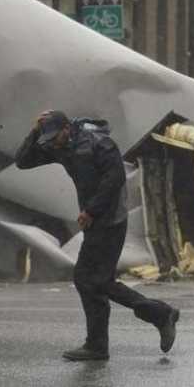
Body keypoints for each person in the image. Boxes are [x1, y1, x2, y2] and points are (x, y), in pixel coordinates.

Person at [15, 110, 180, 361]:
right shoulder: (59, 145)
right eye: (49, 138)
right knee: (89, 280)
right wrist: (36, 131)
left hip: (111, 218)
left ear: (67, 128)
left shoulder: (99, 143)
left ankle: (157, 315)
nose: (53, 142)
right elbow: (23, 161)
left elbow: (114, 179)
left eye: (55, 136)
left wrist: (92, 210)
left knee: (95, 280)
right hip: (94, 220)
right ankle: (99, 344)